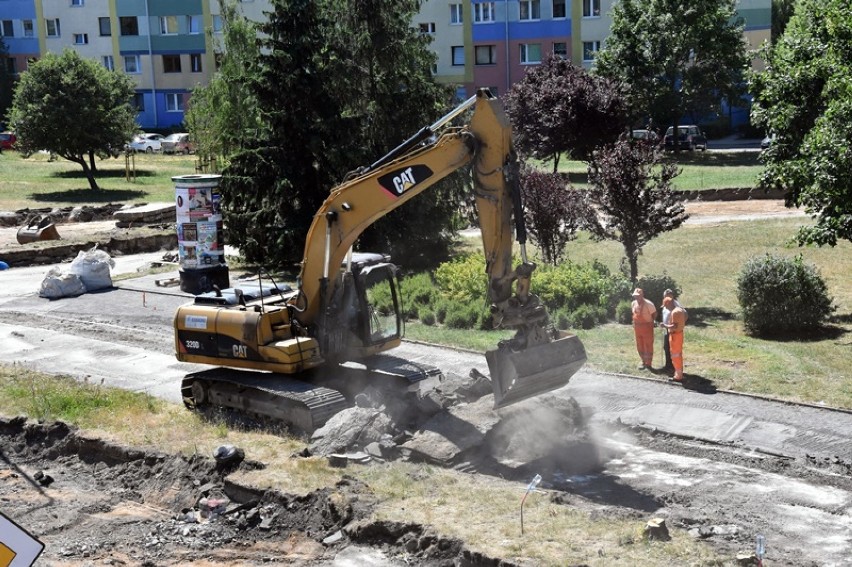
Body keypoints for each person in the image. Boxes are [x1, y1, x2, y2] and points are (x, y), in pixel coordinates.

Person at [660, 296, 687, 381]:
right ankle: (678, 373)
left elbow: (674, 326)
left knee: (675, 355)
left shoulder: (675, 312)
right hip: (679, 334)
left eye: (665, 306)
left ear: (668, 303)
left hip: (675, 335)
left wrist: (665, 325)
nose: (665, 308)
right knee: (678, 354)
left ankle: (678, 376)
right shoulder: (680, 310)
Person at [631, 288, 656, 370]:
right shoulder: (633, 304)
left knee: (648, 345)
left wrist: (651, 322)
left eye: (638, 296)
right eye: (635, 296)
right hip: (637, 328)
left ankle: (648, 363)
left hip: (647, 328)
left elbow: (654, 314)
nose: (637, 297)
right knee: (639, 345)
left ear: (642, 295)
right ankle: (643, 361)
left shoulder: (649, 304)